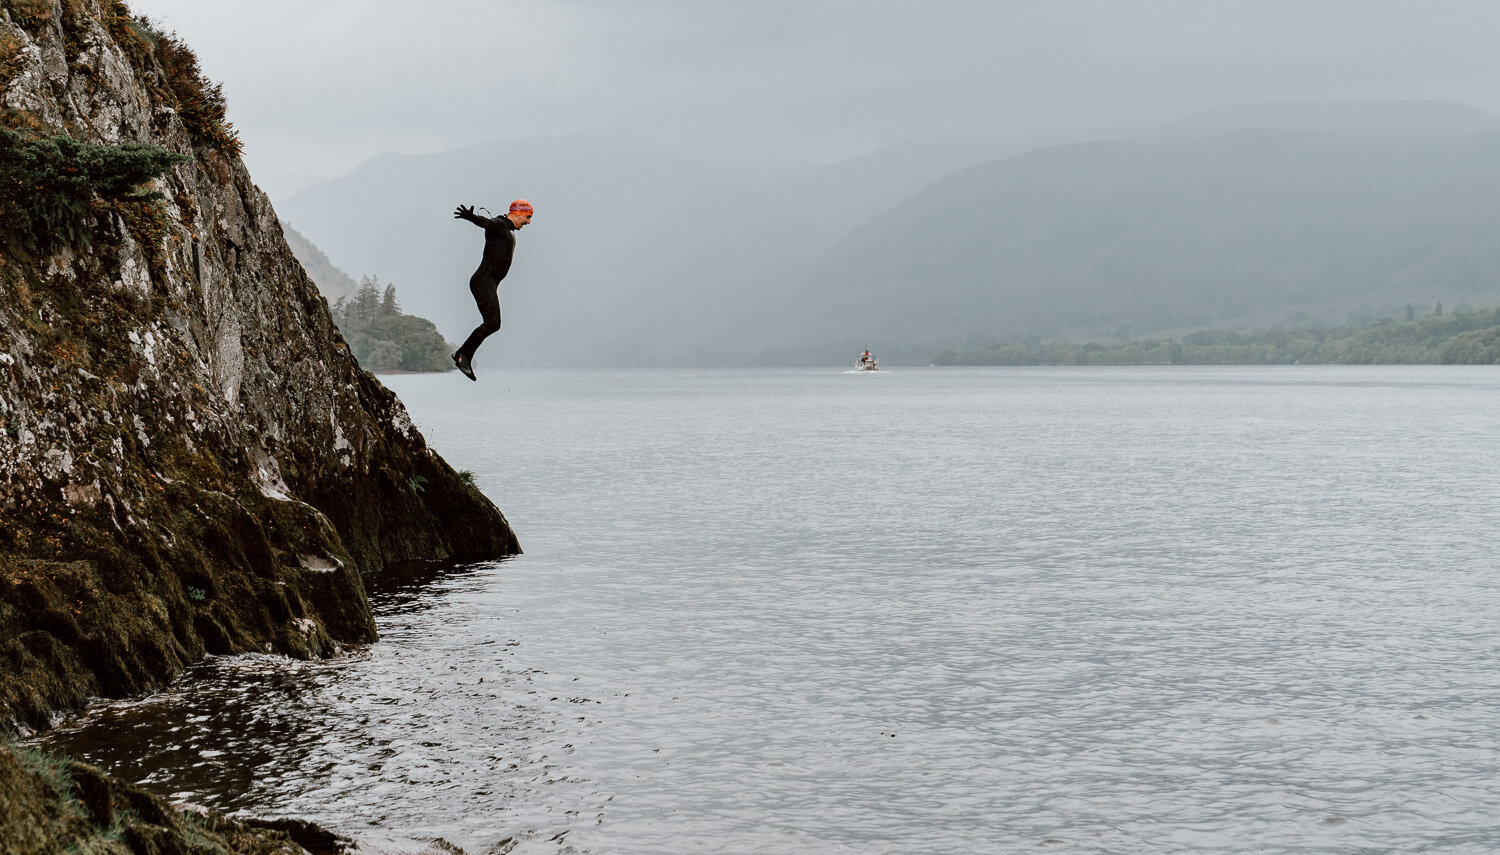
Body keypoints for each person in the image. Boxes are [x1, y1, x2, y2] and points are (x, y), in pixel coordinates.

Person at [450, 199, 534, 380]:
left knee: (493, 323)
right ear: (518, 213)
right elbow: (486, 223)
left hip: (489, 283)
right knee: (493, 323)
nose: (528, 222)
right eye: (527, 217)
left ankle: (463, 354)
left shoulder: (507, 230)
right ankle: (462, 355)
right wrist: (471, 217)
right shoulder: (499, 225)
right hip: (483, 282)